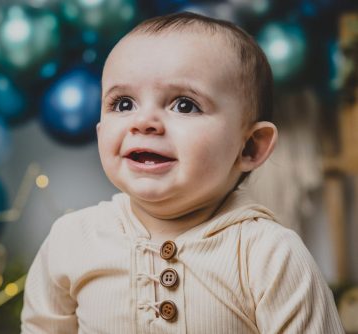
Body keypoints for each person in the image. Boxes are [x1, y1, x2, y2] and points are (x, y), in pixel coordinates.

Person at [21, 11, 344, 333]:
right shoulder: (73, 239)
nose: (143, 121)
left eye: (184, 105)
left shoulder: (271, 255)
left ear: (250, 147)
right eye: (123, 104)